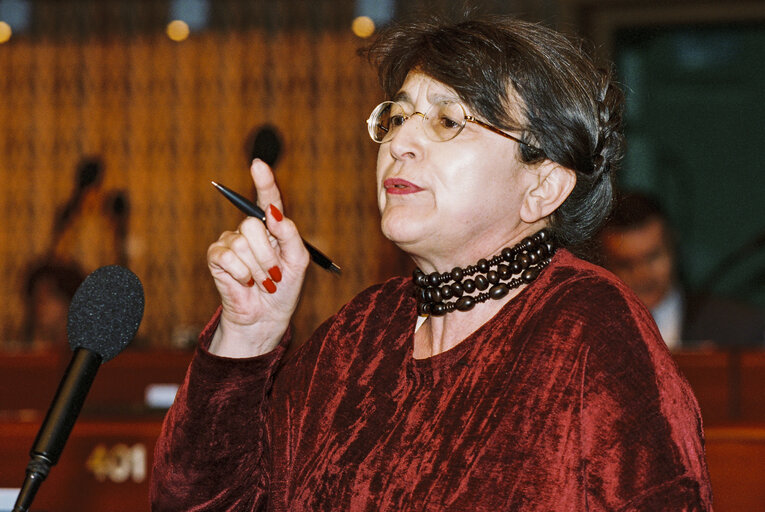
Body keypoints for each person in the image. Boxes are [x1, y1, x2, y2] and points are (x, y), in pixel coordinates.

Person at [151, 15, 712, 511]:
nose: (401, 142)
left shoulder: (592, 330)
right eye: (396, 117)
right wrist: (248, 336)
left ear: (541, 185)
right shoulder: (357, 336)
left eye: (448, 121)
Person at [598, 191, 765, 349]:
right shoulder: (591, 332)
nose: (642, 275)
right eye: (626, 265)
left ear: (674, 246)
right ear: (604, 264)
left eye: (653, 257)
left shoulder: (740, 328)